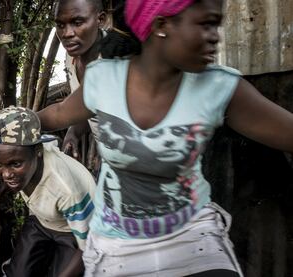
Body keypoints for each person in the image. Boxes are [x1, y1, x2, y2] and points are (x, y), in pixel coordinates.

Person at [38, 0, 293, 276]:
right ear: (161, 25)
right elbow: (61, 113)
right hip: (119, 244)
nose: (215, 36)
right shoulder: (105, 79)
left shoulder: (220, 88)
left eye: (216, 25)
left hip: (191, 235)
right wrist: (17, 121)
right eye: (205, 24)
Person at [0, 106, 96, 277]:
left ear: (37, 152)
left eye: (15, 164)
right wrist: (9, 183)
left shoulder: (66, 190)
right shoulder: (29, 153)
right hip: (41, 221)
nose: (6, 174)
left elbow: (89, 246)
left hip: (71, 231)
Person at [54, 0, 106, 162]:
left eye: (77, 22)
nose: (67, 33)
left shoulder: (118, 59)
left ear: (100, 20)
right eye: (60, 25)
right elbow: (87, 106)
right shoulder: (71, 57)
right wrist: (74, 131)